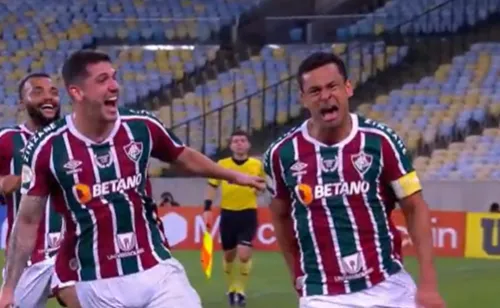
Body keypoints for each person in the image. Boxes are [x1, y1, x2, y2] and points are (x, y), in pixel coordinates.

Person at [0, 50, 265, 308]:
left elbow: (183, 156)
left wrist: (233, 175)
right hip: (95, 281)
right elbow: (26, 221)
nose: (114, 86)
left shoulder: (140, 126)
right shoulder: (47, 147)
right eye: (102, 80)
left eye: (114, 77)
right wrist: (8, 288)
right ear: (77, 92)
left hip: (156, 269)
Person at [262, 52, 445, 308]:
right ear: (303, 99)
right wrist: (297, 275)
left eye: (332, 86)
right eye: (314, 91)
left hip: (389, 285)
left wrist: (428, 284)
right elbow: (280, 216)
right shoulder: (281, 154)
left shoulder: (381, 142)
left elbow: (415, 207)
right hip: (323, 294)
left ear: (348, 88)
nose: (325, 96)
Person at [0, 73, 64, 307]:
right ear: (21, 102)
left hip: (69, 250)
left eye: (53, 92)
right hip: (27, 257)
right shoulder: (8, 140)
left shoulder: (70, 139)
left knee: (81, 295)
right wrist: (28, 177)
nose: (48, 97)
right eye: (37, 91)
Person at [202, 130, 264, 307]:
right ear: (230, 146)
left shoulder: (256, 165)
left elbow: (263, 184)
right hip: (228, 215)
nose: (239, 143)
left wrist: (259, 188)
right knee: (229, 257)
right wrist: (207, 207)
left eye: (242, 140)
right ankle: (230, 288)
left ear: (248, 145)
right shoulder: (222, 165)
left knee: (244, 255)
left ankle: (240, 290)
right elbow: (212, 186)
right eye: (235, 141)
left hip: (248, 214)